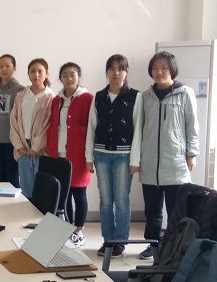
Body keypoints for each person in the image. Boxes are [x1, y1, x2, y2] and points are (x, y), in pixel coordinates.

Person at [138, 51, 199, 260]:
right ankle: (152, 244)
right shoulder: (145, 97)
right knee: (152, 211)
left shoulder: (185, 93)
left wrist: (192, 153)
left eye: (164, 68)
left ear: (172, 69)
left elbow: (192, 125)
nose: (159, 72)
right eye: (155, 68)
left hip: (175, 162)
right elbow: (140, 129)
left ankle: (173, 247)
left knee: (175, 211)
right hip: (150, 163)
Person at [85, 54, 142, 258]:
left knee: (121, 199)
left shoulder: (135, 96)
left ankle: (120, 241)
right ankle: (108, 240)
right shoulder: (99, 97)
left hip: (123, 156)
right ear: (106, 72)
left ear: (126, 72)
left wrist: (135, 160)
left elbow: (137, 130)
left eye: (120, 69)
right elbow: (91, 128)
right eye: (112, 69)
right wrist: (89, 157)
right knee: (105, 199)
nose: (116, 73)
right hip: (101, 154)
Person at [47, 62, 93, 246]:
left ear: (79, 77)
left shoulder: (88, 98)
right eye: (64, 75)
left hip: (79, 155)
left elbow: (92, 128)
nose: (69, 78)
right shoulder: (56, 100)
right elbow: (53, 126)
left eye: (72, 74)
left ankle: (79, 231)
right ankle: (66, 230)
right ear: (60, 78)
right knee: (63, 195)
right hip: (58, 154)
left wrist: (90, 156)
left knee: (79, 195)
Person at [9, 58, 54, 198]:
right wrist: (18, 145)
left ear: (46, 74)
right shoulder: (21, 96)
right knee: (25, 186)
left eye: (40, 71)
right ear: (28, 73)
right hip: (23, 146)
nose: (36, 75)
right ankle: (27, 210)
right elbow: (14, 122)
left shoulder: (50, 97)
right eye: (33, 71)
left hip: (41, 148)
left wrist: (35, 148)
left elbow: (48, 125)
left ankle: (39, 211)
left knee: (41, 185)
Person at [0, 54, 25, 188]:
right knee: (0, 176)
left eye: (7, 66)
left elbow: (21, 117)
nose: (4, 69)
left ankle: (15, 202)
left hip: (12, 142)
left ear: (14, 68)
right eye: (1, 66)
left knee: (12, 177)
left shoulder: (21, 90)